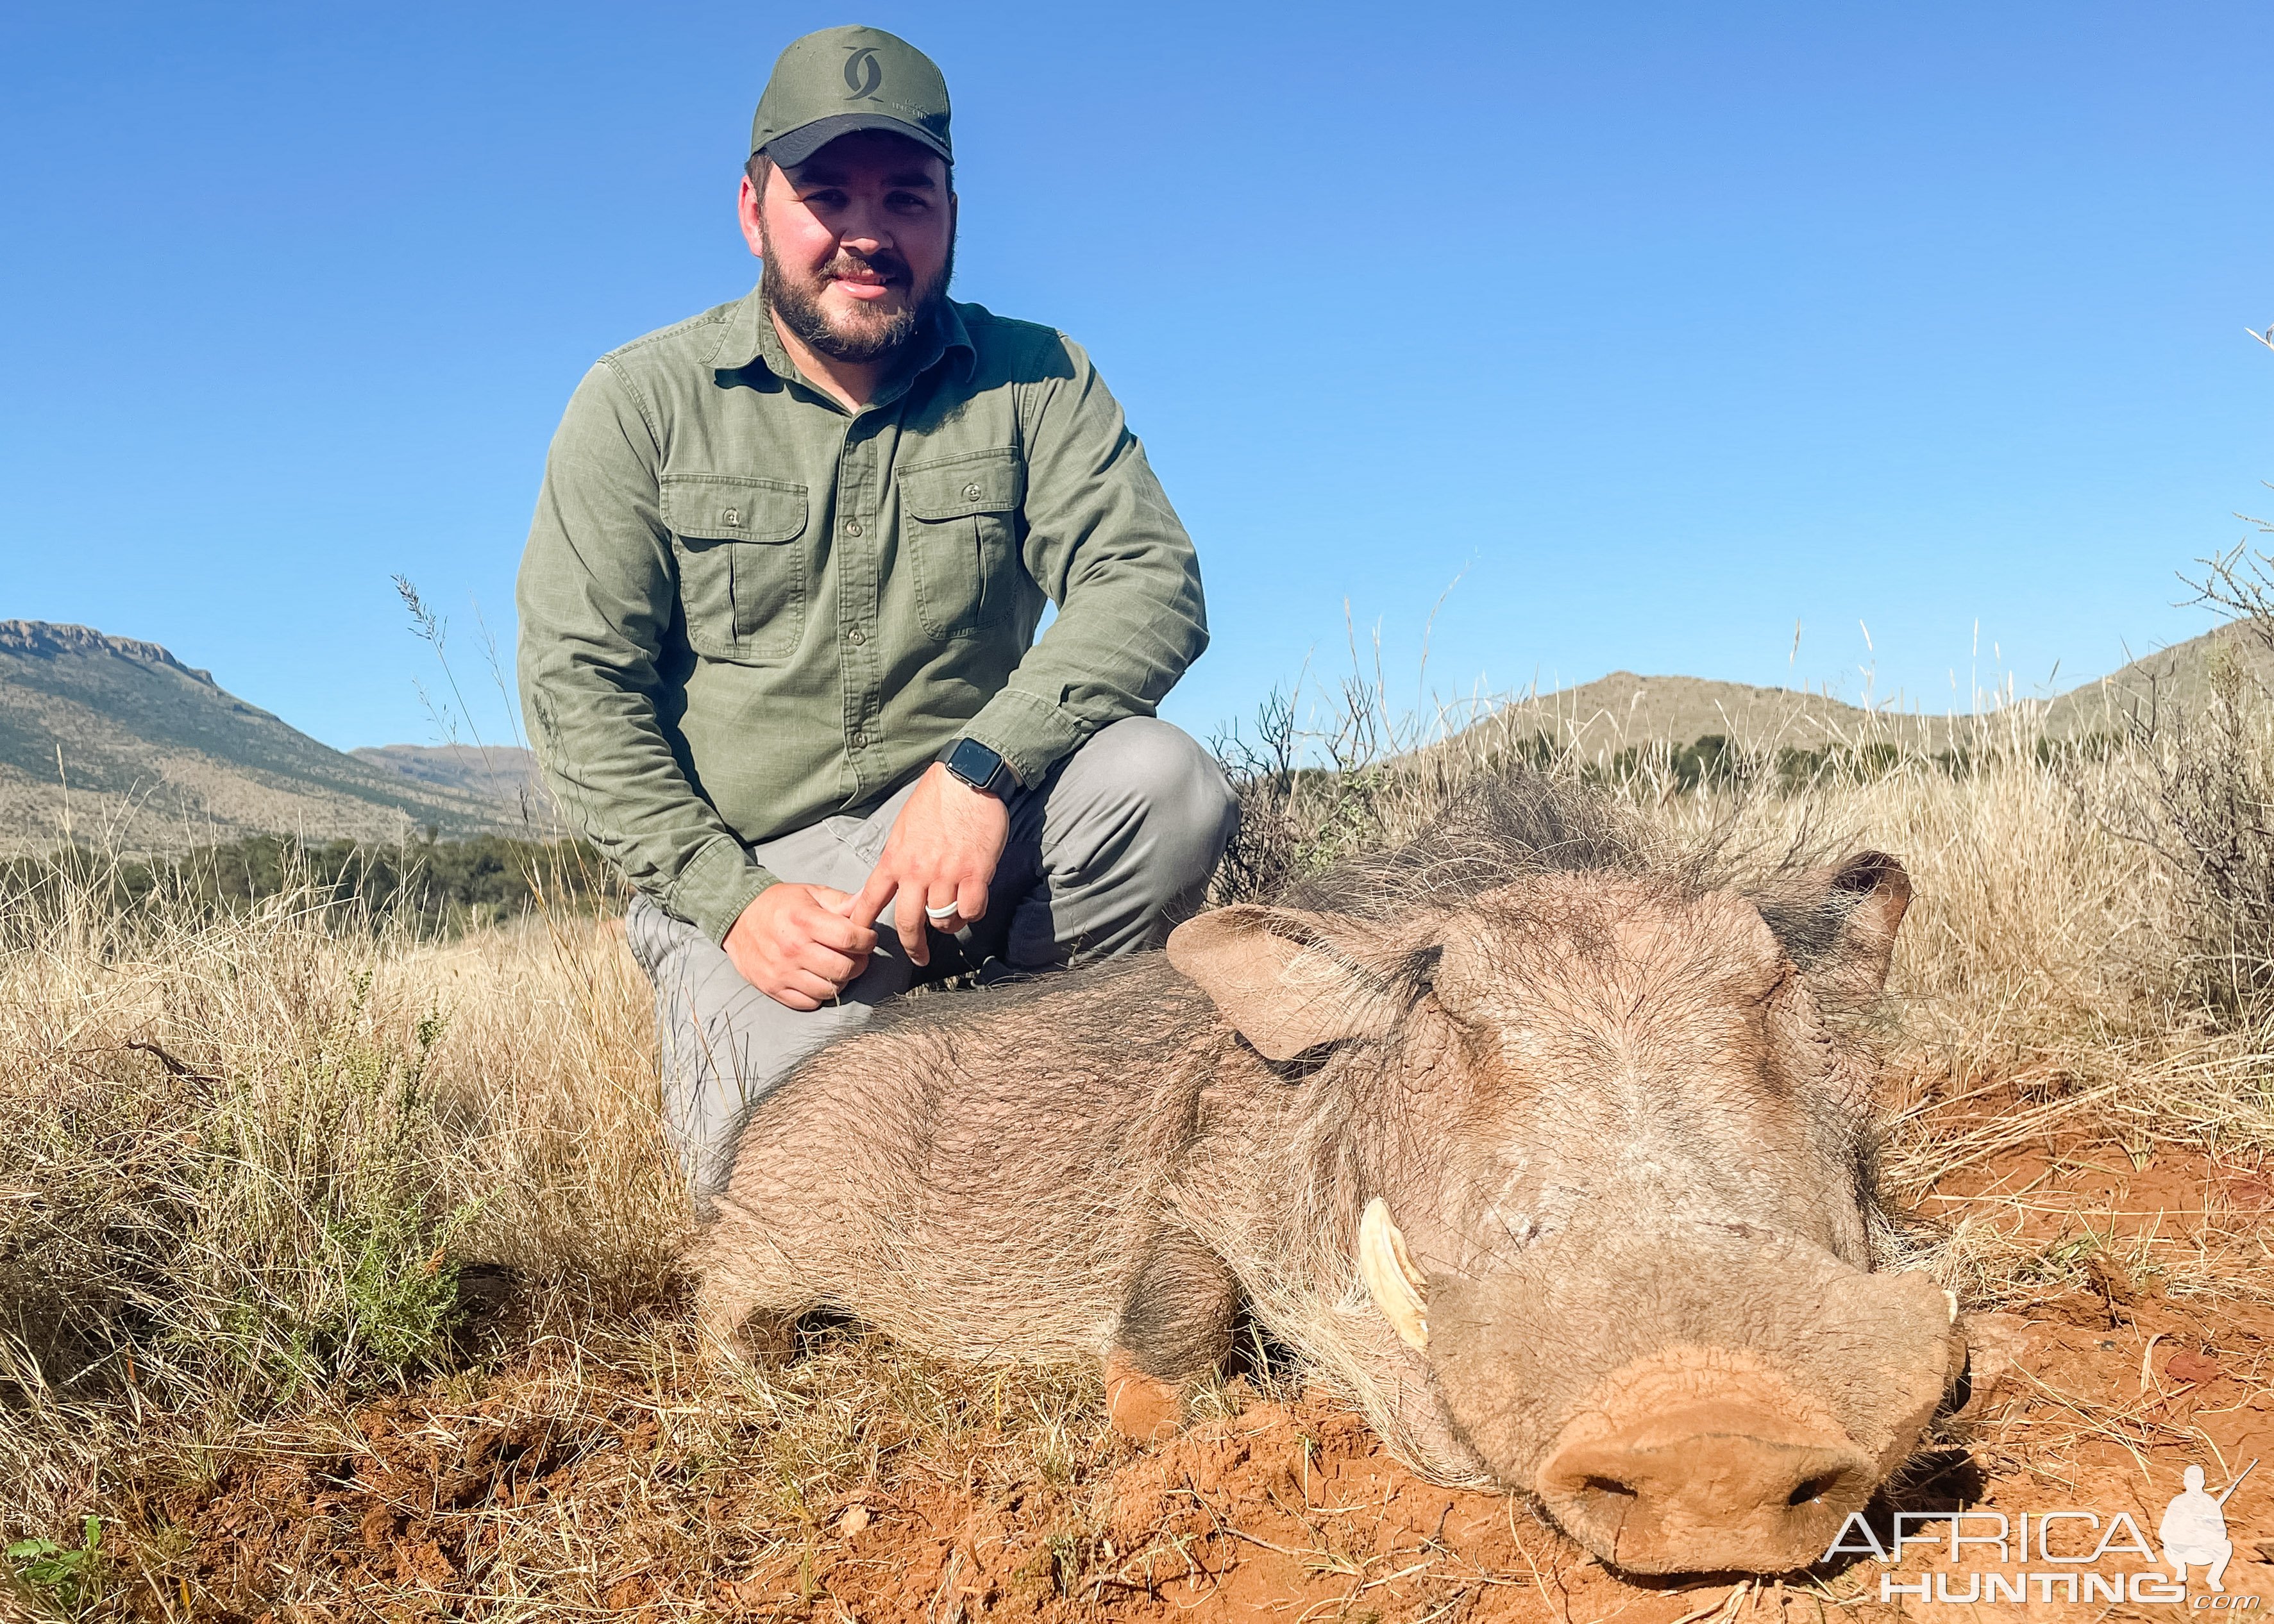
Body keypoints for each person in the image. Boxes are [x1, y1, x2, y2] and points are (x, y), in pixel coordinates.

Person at [517, 25, 1236, 1199]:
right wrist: (729, 900)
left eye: (906, 196)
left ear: (951, 212)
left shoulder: (1038, 375)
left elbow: (1148, 580)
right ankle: (890, 1079)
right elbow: (576, 688)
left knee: (1164, 783)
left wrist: (979, 773)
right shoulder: (637, 403)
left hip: (970, 839)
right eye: (826, 195)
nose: (868, 233)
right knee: (774, 1202)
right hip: (759, 881)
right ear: (753, 211)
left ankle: (1032, 1067)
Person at [2160, 1464, 2235, 1591]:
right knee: (2168, 1546)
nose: (2194, 1485)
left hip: (2202, 1550)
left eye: (2197, 1481)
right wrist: (2182, 1531)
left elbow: (2221, 1532)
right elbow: (2164, 1530)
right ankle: (2181, 1568)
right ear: (2185, 1482)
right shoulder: (2177, 1502)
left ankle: (2214, 1578)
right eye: (2191, 1481)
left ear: (2203, 1483)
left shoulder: (2210, 1503)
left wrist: (2205, 1531)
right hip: (2180, 1550)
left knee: (2226, 1546)